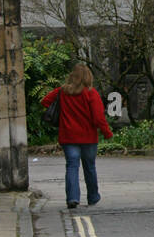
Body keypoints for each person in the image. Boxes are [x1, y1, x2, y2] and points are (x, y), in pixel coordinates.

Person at [42, 63, 113, 209]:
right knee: (90, 167)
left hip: (68, 136)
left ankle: (73, 198)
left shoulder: (62, 91)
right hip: (88, 137)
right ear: (88, 76)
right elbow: (98, 117)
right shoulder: (91, 93)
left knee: (72, 166)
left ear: (72, 76)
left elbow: (45, 101)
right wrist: (107, 132)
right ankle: (93, 197)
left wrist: (63, 113)